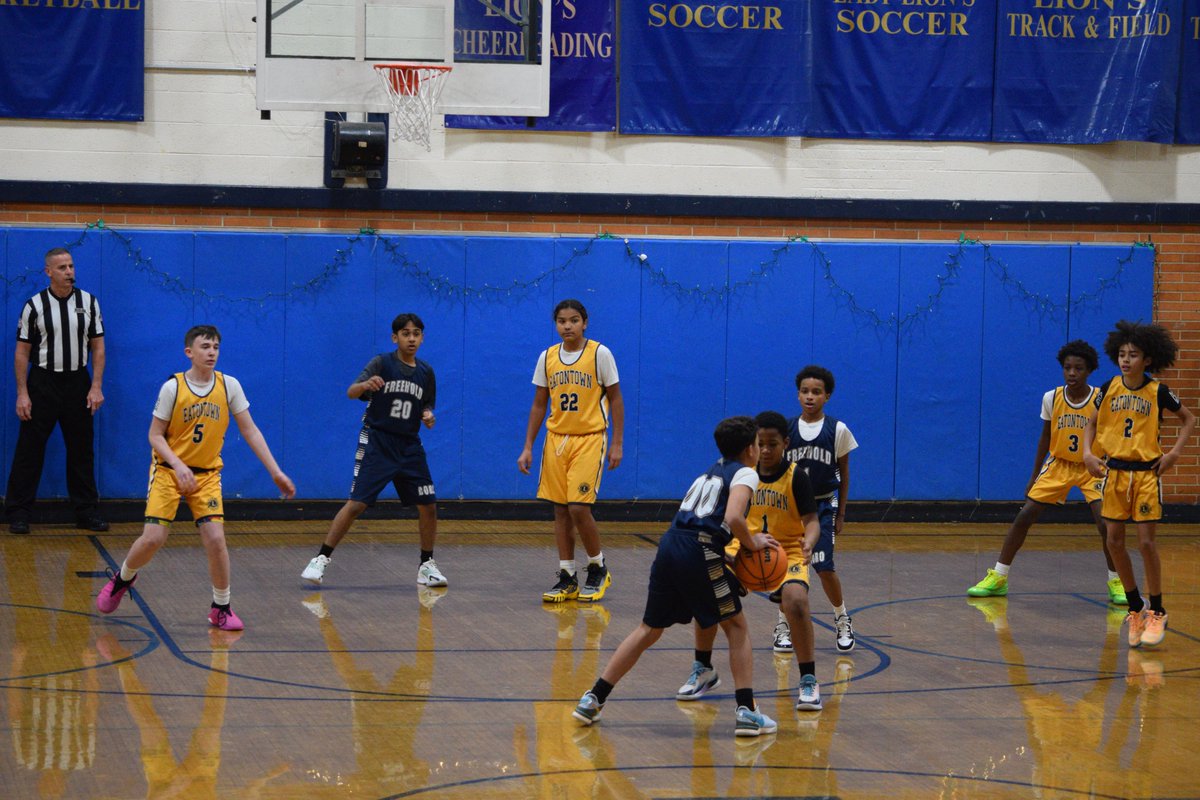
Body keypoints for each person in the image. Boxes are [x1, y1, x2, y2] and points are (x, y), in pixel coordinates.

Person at [572, 416, 779, 737]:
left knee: (648, 629)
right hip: (699, 550)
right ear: (751, 448)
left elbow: (696, 524)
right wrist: (751, 544)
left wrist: (724, 556)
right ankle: (748, 711)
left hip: (671, 545)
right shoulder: (746, 473)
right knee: (737, 626)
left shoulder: (709, 472)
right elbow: (733, 516)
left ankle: (593, 698)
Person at [95, 325, 295, 631]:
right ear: (189, 352)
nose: (212, 352)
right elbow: (154, 435)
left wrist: (275, 471)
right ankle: (122, 579)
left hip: (206, 475)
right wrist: (178, 465)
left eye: (215, 346)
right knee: (153, 539)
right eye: (205, 346)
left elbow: (250, 430)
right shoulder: (172, 388)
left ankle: (221, 607)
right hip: (167, 471)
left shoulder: (229, 386)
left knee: (216, 539)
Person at [681, 411, 823, 711]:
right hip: (742, 547)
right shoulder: (743, 473)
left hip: (785, 551)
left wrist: (809, 542)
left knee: (796, 600)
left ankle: (808, 679)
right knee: (707, 590)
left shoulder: (796, 476)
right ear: (753, 445)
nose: (767, 451)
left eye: (773, 444)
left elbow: (812, 521)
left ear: (785, 444)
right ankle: (702, 667)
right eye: (762, 444)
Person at [968, 340, 1124, 603]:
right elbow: (1045, 438)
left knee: (1103, 523)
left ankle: (1116, 581)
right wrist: (1033, 475)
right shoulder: (1052, 397)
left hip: (1092, 467)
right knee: (1025, 514)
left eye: (1079, 368)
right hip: (1059, 464)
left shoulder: (1102, 397)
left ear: (1089, 371)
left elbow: (1112, 434)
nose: (1072, 373)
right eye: (1067, 368)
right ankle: (999, 576)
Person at [301, 313, 444, 588]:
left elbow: (426, 406)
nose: (411, 338)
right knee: (357, 504)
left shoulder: (426, 373)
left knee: (429, 505)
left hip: (409, 445)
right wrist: (366, 385)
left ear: (422, 337)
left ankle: (426, 565)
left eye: (416, 333)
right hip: (379, 442)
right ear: (395, 337)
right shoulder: (382, 363)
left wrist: (427, 415)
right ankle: (320, 559)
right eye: (405, 333)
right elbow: (351, 392)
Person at [1083, 321, 1194, 650]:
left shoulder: (1157, 391)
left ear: (1148, 359)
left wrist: (1173, 453)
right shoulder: (1108, 388)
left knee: (1146, 543)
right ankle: (1135, 609)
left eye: (1133, 355)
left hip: (1146, 475)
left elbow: (1189, 418)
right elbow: (1091, 422)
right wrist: (1088, 454)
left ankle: (1158, 610)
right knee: (1114, 541)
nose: (1126, 360)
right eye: (1121, 354)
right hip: (1114, 474)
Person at [518, 299, 624, 603]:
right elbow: (539, 404)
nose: (568, 325)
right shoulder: (548, 357)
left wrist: (617, 442)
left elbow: (616, 399)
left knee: (579, 506)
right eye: (562, 321)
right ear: (556, 324)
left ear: (585, 322)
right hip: (556, 439)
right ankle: (567, 576)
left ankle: (597, 566)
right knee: (561, 510)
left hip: (590, 437)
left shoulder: (599, 354)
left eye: (574, 320)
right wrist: (528, 446)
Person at [6, 247, 108, 535]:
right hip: (43, 383)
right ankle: (19, 513)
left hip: (78, 382)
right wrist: (22, 393)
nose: (69, 272)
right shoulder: (34, 306)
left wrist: (96, 386)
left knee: (81, 450)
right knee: (30, 450)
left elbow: (98, 347)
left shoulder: (89, 303)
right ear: (48, 272)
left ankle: (86, 512)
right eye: (62, 268)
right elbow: (21, 353)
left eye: (71, 266)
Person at [784, 365, 858, 653]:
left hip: (823, 505)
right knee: (786, 568)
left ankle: (842, 618)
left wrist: (841, 513)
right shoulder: (787, 429)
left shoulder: (837, 429)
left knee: (824, 567)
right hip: (791, 509)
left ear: (827, 396)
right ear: (798, 394)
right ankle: (783, 624)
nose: (810, 397)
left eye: (816, 392)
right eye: (804, 391)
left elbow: (845, 474)